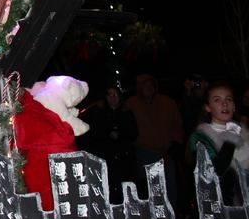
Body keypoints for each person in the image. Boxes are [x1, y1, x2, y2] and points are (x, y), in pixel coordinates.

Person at [124, 72, 185, 211]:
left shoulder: (168, 102)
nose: (148, 87)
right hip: (144, 154)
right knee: (151, 193)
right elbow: (126, 128)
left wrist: (176, 142)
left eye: (150, 84)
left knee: (170, 191)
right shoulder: (131, 104)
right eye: (144, 85)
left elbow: (177, 125)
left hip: (167, 154)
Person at [188, 81, 249, 206]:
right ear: (207, 107)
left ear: (234, 106)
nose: (224, 104)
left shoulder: (244, 132)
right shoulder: (201, 137)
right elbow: (215, 171)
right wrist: (230, 139)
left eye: (229, 99)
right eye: (217, 100)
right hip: (223, 204)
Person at [79, 84, 138, 203]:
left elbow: (134, 133)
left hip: (124, 158)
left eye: (115, 94)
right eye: (109, 94)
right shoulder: (98, 113)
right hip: (105, 158)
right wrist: (107, 133)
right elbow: (92, 133)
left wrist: (120, 134)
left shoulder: (127, 112)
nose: (112, 97)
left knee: (125, 188)